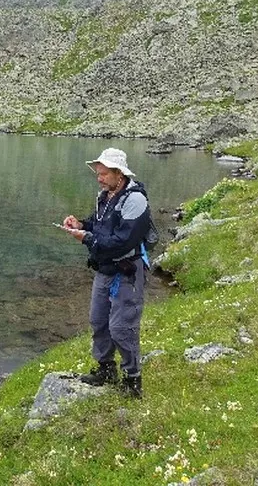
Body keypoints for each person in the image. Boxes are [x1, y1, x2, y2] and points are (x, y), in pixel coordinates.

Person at [61, 147, 151, 398]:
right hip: (105, 270)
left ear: (118, 174)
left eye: (103, 174)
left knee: (122, 326)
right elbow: (99, 225)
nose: (99, 178)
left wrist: (86, 239)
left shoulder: (135, 201)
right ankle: (106, 369)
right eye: (98, 173)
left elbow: (122, 241)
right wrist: (81, 224)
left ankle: (133, 380)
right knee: (98, 321)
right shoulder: (105, 196)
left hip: (127, 272)